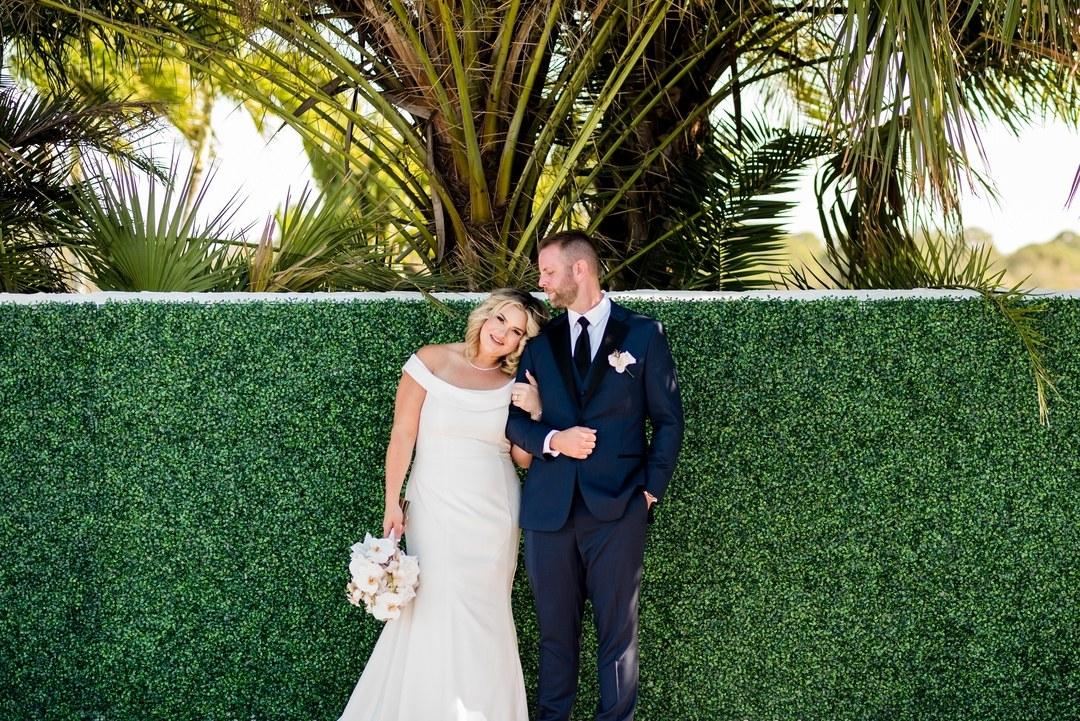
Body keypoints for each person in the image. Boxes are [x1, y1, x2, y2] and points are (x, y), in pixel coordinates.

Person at [338, 288, 549, 721]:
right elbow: (403, 435)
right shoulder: (430, 360)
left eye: (516, 332)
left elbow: (523, 458)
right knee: (433, 604)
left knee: (483, 612)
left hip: (493, 513)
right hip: (432, 503)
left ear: (522, 343)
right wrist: (392, 501)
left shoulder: (517, 384)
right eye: (501, 320)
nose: (503, 334)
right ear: (486, 315)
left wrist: (538, 411)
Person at [505, 231, 684, 721]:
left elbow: (668, 421)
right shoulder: (541, 344)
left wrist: (649, 493)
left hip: (619, 509)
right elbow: (515, 422)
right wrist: (553, 439)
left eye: (548, 272)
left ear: (579, 269)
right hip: (549, 512)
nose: (542, 282)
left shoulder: (643, 334)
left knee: (617, 637)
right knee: (555, 637)